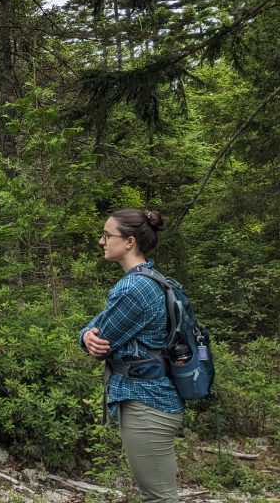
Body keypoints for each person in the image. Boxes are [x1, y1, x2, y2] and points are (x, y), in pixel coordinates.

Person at [79, 208, 184, 503]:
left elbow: (100, 339)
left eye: (107, 235)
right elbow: (97, 329)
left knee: (159, 497)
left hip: (146, 404)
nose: (102, 241)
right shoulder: (151, 279)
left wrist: (86, 336)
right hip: (155, 399)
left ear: (129, 242)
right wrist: (87, 335)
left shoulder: (133, 288)